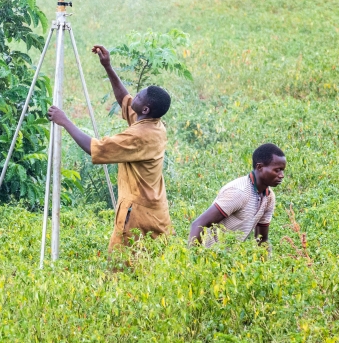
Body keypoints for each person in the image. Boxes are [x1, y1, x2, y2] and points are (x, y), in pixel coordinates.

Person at [47, 44, 172, 251]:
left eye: (139, 97)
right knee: (152, 268)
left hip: (138, 216)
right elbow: (124, 99)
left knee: (123, 268)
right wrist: (108, 66)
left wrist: (65, 121)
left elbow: (96, 148)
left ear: (146, 108)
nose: (134, 97)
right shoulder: (153, 124)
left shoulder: (139, 136)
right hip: (155, 212)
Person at [188, 143, 286, 252]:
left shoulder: (269, 197)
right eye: (277, 170)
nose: (281, 175)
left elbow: (262, 240)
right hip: (210, 256)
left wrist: (267, 266)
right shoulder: (239, 192)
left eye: (282, 170)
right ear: (260, 167)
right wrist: (193, 260)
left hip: (232, 259)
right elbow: (199, 224)